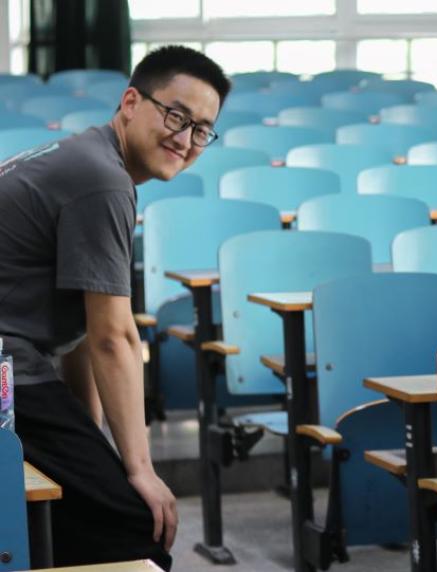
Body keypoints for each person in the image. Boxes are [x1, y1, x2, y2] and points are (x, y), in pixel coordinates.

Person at [0, 45, 230, 569]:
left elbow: (81, 336)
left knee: (94, 503)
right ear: (131, 102)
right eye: (176, 115)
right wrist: (139, 469)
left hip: (17, 364)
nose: (186, 138)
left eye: (201, 130)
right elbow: (113, 337)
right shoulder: (101, 179)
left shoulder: (86, 158)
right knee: (135, 522)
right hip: (4, 369)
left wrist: (95, 442)